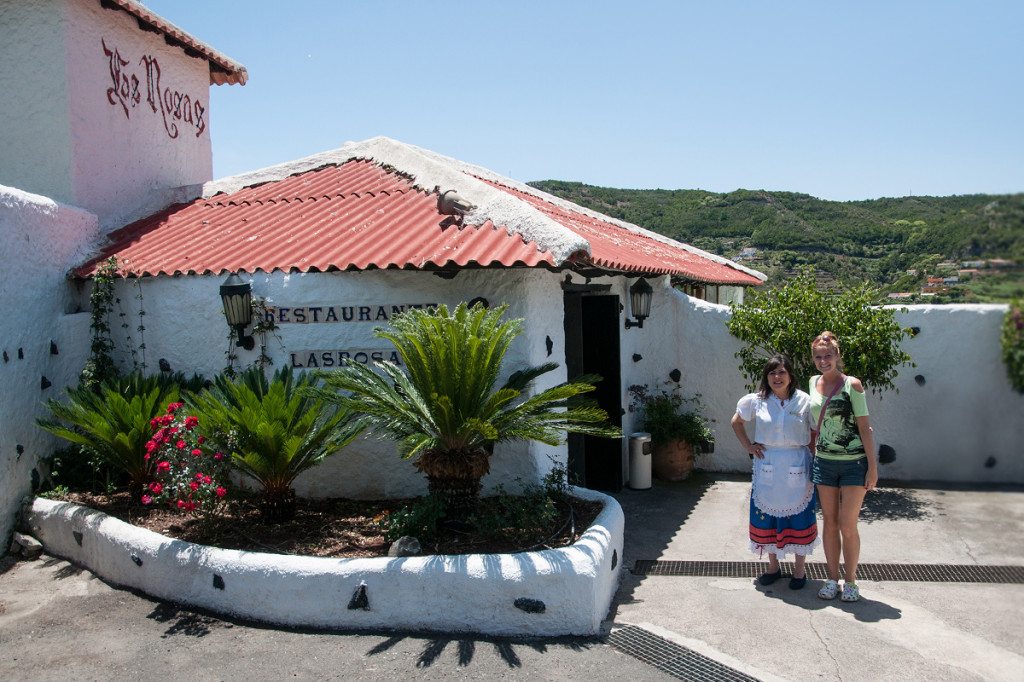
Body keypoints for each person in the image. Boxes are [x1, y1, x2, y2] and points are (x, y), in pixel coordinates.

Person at [731, 354, 817, 590]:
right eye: (772, 373)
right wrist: (749, 446)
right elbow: (736, 422)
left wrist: (811, 452)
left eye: (781, 372)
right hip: (767, 462)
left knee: (799, 516)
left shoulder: (804, 401)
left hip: (797, 462)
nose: (777, 377)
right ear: (766, 377)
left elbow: (815, 429)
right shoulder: (756, 400)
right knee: (767, 516)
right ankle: (773, 568)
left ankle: (799, 571)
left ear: (790, 375)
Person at [809, 331, 878, 603]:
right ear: (813, 359)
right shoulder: (813, 382)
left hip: (853, 464)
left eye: (828, 355)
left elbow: (864, 427)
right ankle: (831, 578)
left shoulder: (853, 386)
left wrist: (872, 468)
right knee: (829, 523)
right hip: (824, 463)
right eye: (818, 356)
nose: (823, 360)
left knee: (848, 525)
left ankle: (850, 581)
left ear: (837, 356)